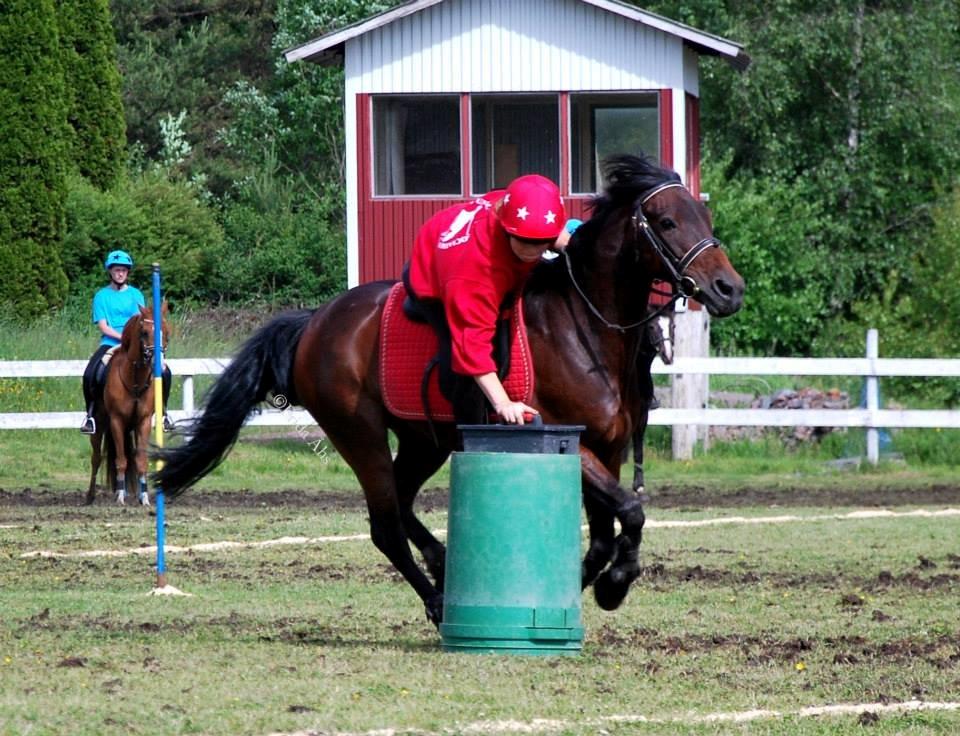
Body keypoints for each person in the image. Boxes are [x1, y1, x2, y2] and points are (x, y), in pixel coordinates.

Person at [403, 174, 566, 426]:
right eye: (523, 240)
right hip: (433, 277)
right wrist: (503, 403)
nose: (532, 250)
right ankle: (471, 437)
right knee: (463, 373)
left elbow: (541, 230)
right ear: (505, 227)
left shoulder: (515, 213)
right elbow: (472, 345)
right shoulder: (475, 274)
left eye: (540, 242)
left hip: (488, 256)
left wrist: (568, 243)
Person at [80, 250, 172, 434]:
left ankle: (163, 413)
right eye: (116, 270)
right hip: (110, 342)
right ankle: (90, 415)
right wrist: (123, 338)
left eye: (123, 270)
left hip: (136, 344)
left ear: (127, 272)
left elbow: (142, 321)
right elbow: (104, 326)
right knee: (91, 371)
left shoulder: (136, 295)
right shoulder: (101, 296)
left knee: (164, 370)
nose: (120, 273)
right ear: (110, 272)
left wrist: (133, 339)